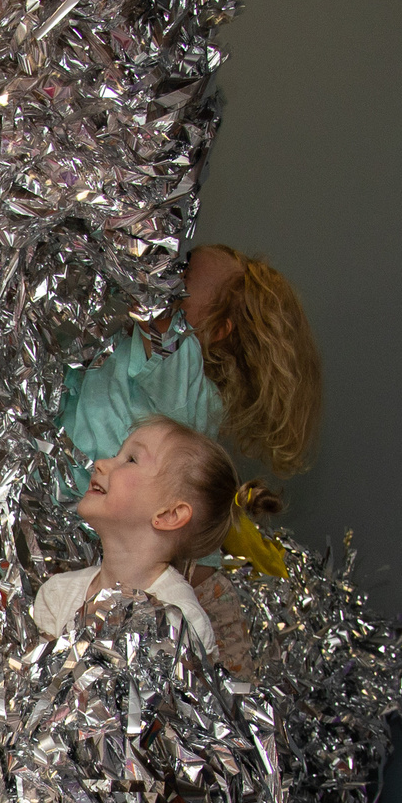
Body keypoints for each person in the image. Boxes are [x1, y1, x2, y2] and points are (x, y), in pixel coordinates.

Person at [56, 244, 319, 577]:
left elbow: (153, 301)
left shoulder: (181, 366)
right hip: (91, 509)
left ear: (217, 328)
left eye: (183, 275)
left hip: (89, 516)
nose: (169, 271)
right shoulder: (186, 384)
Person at [28, 416, 236, 666]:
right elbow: (38, 690)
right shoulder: (58, 594)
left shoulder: (181, 623)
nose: (101, 464)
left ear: (169, 515)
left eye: (131, 459)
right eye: (117, 454)